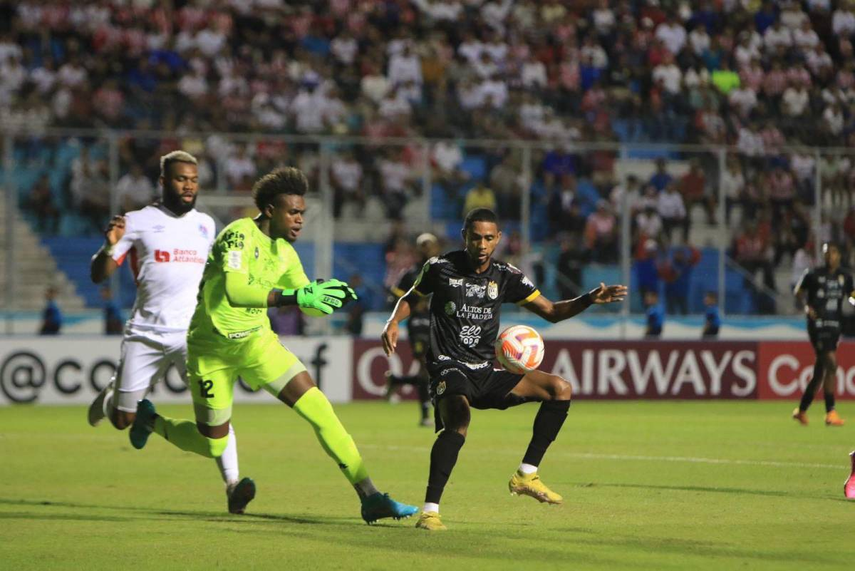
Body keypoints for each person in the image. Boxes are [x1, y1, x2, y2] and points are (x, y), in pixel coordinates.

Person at [127, 167, 417, 524]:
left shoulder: (286, 254)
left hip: (256, 343)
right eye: (292, 213)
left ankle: (370, 496)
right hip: (211, 349)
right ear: (268, 210)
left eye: (302, 213)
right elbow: (236, 292)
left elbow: (305, 297)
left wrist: (329, 293)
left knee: (321, 411)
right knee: (212, 444)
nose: (299, 220)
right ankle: (150, 420)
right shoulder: (238, 236)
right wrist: (296, 295)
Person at [382, 208, 626, 531]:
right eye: (475, 237)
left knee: (560, 389)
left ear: (497, 239)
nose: (481, 244)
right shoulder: (440, 268)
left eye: (488, 238)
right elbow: (412, 297)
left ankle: (526, 474)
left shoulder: (505, 275)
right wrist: (393, 321)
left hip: (485, 371)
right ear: (464, 236)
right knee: (459, 420)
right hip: (448, 366)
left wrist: (588, 300)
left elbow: (551, 311)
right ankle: (430, 511)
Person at [86, 151, 254, 514]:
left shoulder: (207, 225)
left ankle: (233, 484)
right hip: (145, 333)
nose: (189, 185)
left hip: (193, 336)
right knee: (121, 421)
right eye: (181, 179)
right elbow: (99, 274)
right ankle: (115, 399)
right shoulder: (136, 221)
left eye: (193, 179)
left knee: (216, 415)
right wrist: (109, 246)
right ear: (163, 182)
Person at [792, 242, 853, 427]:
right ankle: (830, 412)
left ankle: (801, 410)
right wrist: (807, 307)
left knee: (819, 373)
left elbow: (852, 295)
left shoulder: (845, 276)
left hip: (835, 326)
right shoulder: (812, 274)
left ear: (839, 256)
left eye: (833, 253)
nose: (829, 256)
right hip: (817, 325)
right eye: (826, 253)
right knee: (832, 365)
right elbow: (798, 293)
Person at [385, 232, 442, 427]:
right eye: (422, 245)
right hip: (418, 323)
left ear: (436, 248)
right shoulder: (409, 274)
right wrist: (413, 303)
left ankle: (397, 381)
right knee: (425, 364)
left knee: (435, 367)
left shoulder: (445, 272)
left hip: (439, 323)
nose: (426, 249)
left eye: (429, 245)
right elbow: (394, 298)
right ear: (418, 249)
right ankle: (426, 413)